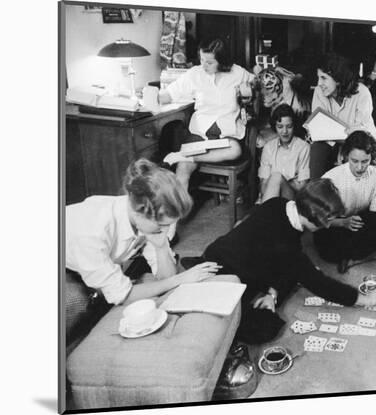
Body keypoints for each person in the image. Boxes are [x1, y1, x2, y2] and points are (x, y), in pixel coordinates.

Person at [184, 179, 376, 344]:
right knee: (266, 327)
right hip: (223, 277)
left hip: (223, 254)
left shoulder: (278, 203)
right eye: (328, 220)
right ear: (314, 216)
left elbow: (278, 257)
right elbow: (322, 285)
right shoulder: (286, 247)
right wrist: (366, 300)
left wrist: (273, 293)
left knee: (292, 271)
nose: (329, 225)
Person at [65, 158, 221, 342]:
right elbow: (124, 296)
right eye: (162, 225)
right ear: (140, 212)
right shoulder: (92, 232)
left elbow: (164, 277)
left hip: (85, 259)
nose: (167, 231)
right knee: (77, 304)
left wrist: (161, 246)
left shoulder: (141, 215)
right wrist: (180, 279)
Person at [158, 38, 256, 191]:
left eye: (209, 62)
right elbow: (170, 93)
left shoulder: (237, 73)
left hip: (226, 137)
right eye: (202, 59)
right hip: (200, 135)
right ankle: (178, 212)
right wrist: (149, 97)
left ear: (222, 61)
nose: (204, 65)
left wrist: (249, 89)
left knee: (235, 150)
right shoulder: (194, 74)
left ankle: (188, 156)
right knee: (183, 170)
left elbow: (257, 83)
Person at [314, 131, 376, 273]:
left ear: (371, 158)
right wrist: (342, 222)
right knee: (330, 248)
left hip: (357, 223)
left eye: (365, 161)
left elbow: (374, 215)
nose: (359, 167)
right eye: (354, 161)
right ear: (346, 156)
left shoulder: (375, 175)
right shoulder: (331, 179)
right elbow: (315, 219)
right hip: (334, 227)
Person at [309, 53, 376, 179]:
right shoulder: (319, 92)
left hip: (362, 142)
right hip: (334, 141)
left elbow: (359, 135)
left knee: (355, 152)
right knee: (317, 147)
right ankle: (315, 192)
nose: (319, 83)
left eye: (324, 78)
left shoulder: (362, 93)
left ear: (338, 78)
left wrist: (341, 142)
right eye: (318, 78)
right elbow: (319, 127)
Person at [257, 104, 310, 203]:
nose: (284, 131)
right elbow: (263, 186)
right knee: (275, 179)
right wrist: (288, 182)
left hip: (292, 200)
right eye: (280, 127)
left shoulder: (303, 148)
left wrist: (281, 182)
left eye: (289, 126)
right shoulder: (268, 147)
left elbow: (302, 187)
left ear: (294, 126)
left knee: (276, 177)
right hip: (271, 197)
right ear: (275, 127)